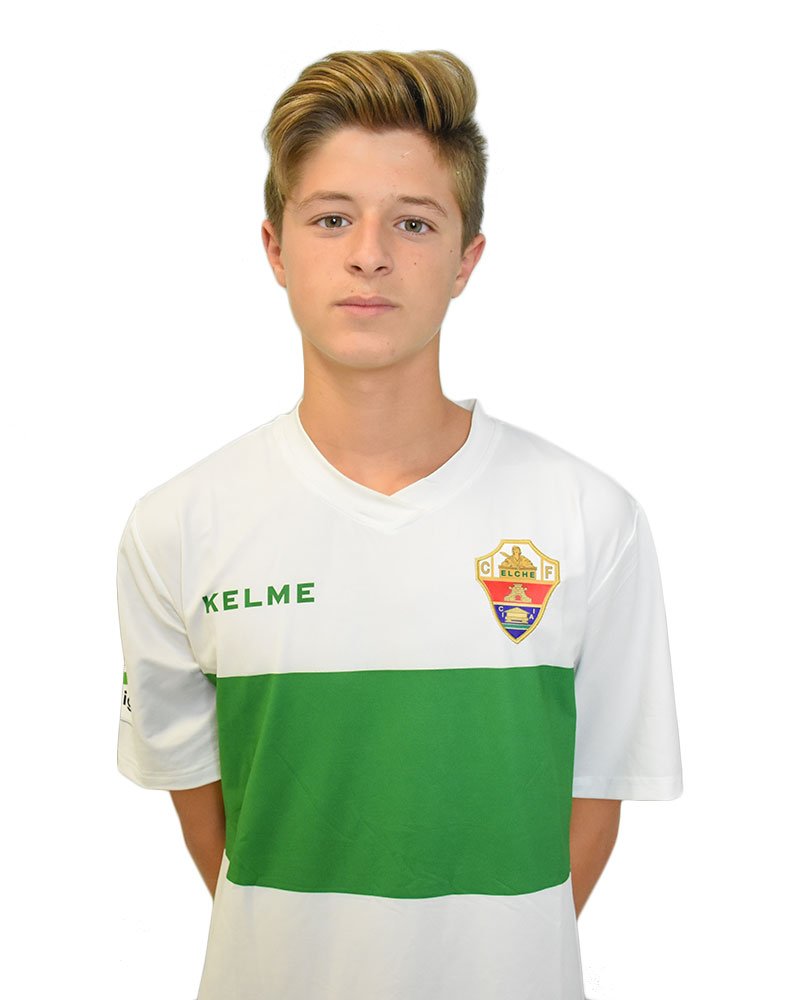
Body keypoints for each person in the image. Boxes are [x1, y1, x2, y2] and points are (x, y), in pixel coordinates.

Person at [116, 48, 683, 1000]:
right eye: (332, 217)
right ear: (275, 249)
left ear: (467, 260)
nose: (369, 254)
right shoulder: (177, 525)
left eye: (413, 222)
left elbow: (592, 803)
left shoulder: (590, 518)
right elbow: (212, 820)